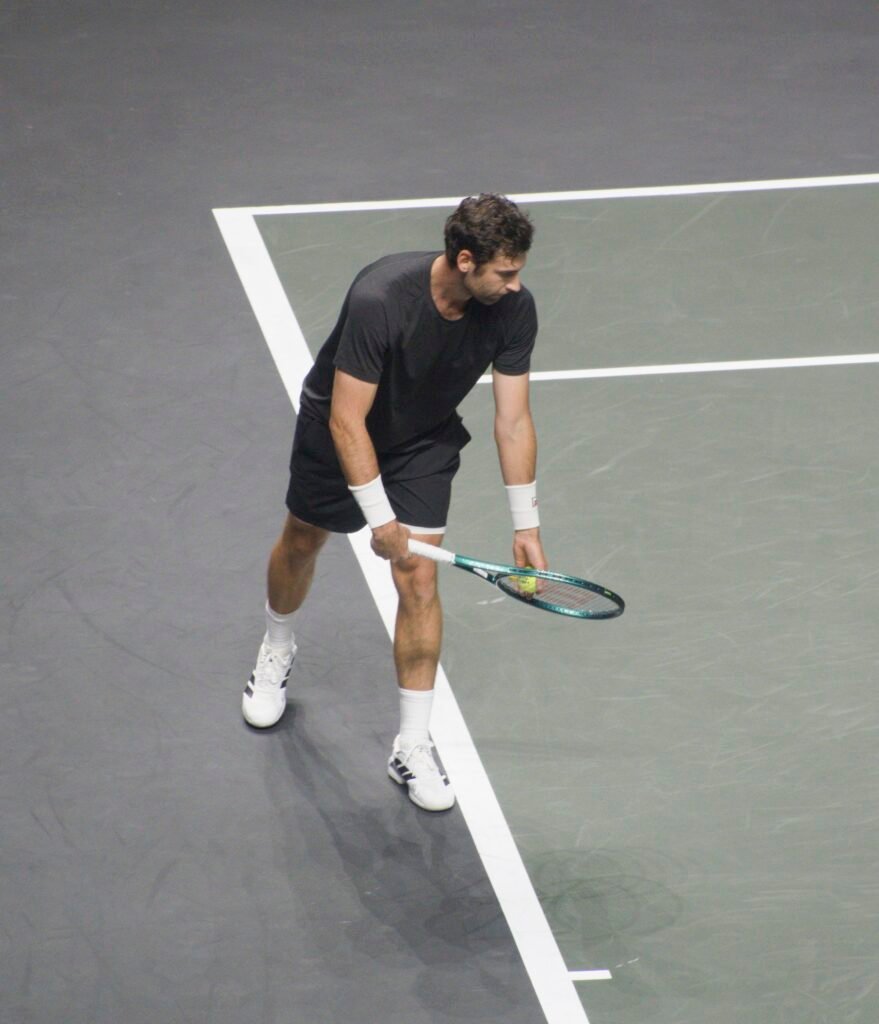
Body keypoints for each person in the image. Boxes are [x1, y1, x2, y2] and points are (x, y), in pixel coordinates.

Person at [242, 193, 547, 812]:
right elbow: (349, 421)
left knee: (418, 580)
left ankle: (411, 744)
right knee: (303, 539)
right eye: (505, 272)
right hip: (340, 431)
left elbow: (512, 420)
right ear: (465, 260)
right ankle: (276, 645)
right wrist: (379, 519)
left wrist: (526, 524)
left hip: (423, 441)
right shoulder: (381, 299)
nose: (517, 285)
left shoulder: (515, 311)